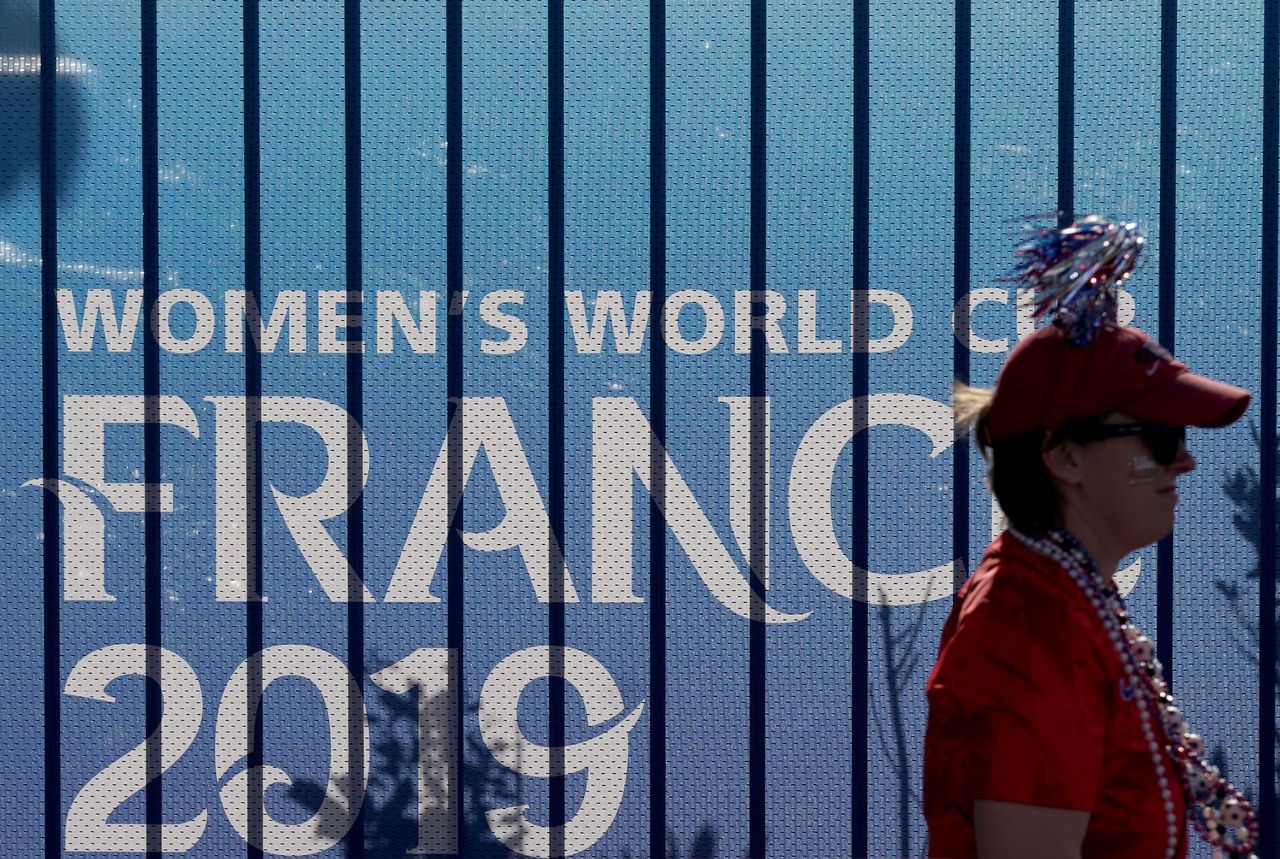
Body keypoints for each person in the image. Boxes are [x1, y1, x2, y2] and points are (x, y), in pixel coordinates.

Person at [923, 217, 1259, 859]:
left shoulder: (1060, 598)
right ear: (1065, 457)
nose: (1184, 461)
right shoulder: (1031, 630)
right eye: (1161, 439)